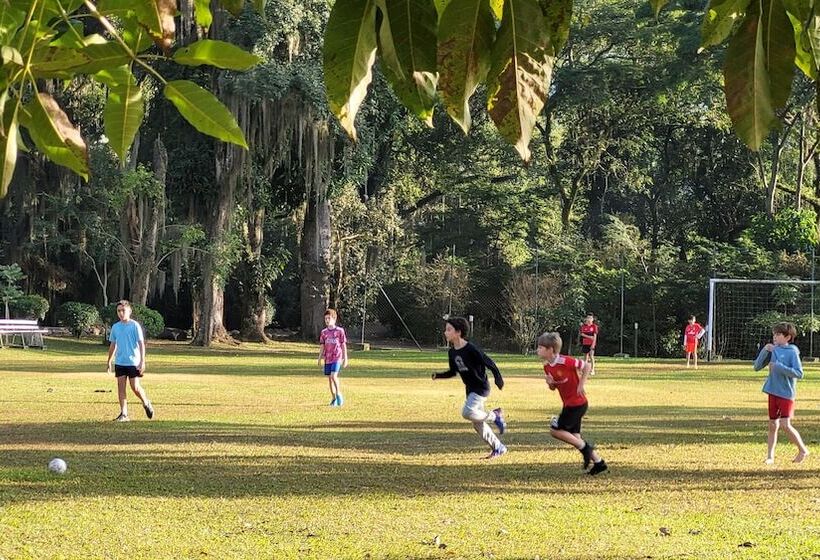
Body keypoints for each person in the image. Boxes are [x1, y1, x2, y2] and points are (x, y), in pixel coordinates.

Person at [432, 316, 507, 459]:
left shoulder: (470, 349)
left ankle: (495, 415)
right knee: (477, 424)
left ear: (458, 332)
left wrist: (498, 377)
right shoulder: (452, 352)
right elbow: (453, 372)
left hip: (480, 387)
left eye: (449, 329)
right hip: (470, 389)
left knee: (467, 412)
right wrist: (439, 376)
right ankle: (498, 447)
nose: (445, 332)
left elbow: (488, 362)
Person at [537, 331, 607, 475]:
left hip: (578, 403)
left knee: (555, 431)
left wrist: (581, 384)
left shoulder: (565, 361)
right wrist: (550, 384)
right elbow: (554, 387)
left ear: (550, 350)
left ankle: (586, 449)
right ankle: (599, 463)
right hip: (569, 404)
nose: (538, 350)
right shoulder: (547, 367)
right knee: (575, 436)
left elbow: (586, 366)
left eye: (540, 347)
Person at [753, 322, 810, 465]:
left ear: (787, 337)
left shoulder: (792, 352)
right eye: (774, 334)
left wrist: (778, 367)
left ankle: (802, 450)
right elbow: (757, 367)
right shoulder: (772, 349)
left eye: (778, 334)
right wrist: (765, 351)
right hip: (772, 391)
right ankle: (770, 456)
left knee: (785, 424)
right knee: (773, 424)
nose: (775, 337)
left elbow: (799, 373)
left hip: (786, 393)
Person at [106, 300, 153, 422]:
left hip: (133, 362)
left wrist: (142, 361)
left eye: (123, 310)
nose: (121, 313)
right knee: (121, 387)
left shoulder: (134, 326)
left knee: (135, 387)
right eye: (119, 311)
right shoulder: (116, 327)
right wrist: (109, 360)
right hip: (120, 362)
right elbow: (113, 344)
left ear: (129, 311)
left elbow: (141, 344)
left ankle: (146, 402)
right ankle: (124, 414)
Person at [318, 308, 348, 406]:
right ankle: (334, 398)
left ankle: (339, 394)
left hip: (337, 357)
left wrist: (345, 358)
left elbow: (343, 344)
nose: (327, 320)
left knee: (333, 375)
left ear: (334, 319)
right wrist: (319, 358)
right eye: (325, 319)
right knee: (329, 379)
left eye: (329, 318)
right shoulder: (324, 332)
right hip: (328, 358)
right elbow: (322, 345)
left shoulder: (340, 331)